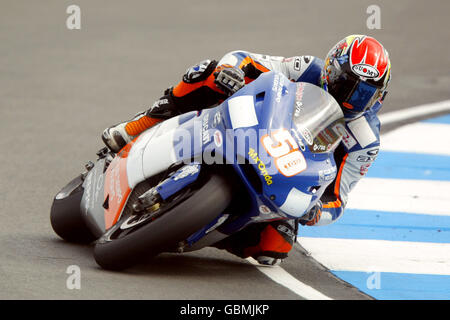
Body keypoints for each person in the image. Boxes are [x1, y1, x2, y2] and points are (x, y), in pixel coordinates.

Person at [102, 35, 391, 265]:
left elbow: (338, 199)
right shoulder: (308, 69)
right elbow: (246, 59)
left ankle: (201, 226)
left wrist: (316, 211)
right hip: (250, 126)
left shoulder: (365, 141)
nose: (351, 100)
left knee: (274, 248)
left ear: (379, 96)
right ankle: (136, 126)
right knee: (207, 73)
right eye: (346, 85)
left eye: (365, 93)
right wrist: (231, 71)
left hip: (285, 173)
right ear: (330, 70)